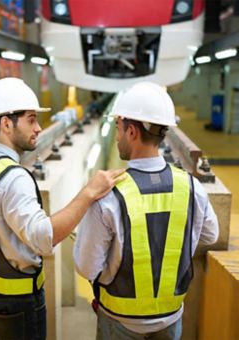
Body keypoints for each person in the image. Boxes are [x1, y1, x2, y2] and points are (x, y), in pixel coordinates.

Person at [0, 77, 125, 340]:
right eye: (31, 119)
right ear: (7, 124)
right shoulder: (14, 179)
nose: (38, 128)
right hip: (17, 303)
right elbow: (43, 237)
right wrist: (89, 192)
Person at [73, 82, 219, 340]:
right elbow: (210, 235)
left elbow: (87, 267)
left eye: (118, 128)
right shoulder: (191, 188)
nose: (117, 136)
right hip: (170, 319)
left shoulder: (108, 196)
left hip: (118, 321)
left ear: (131, 132)